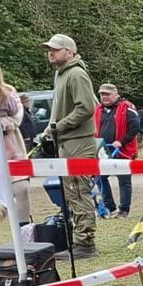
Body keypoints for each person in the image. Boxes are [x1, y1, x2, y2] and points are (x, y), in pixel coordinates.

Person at [36, 33, 99, 257]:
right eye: (49, 49)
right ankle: (79, 239)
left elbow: (86, 108)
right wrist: (51, 128)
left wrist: (58, 126)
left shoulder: (76, 74)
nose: (50, 53)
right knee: (72, 192)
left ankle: (85, 243)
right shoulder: (62, 74)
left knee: (78, 191)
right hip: (68, 141)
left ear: (70, 52)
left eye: (55, 49)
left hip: (78, 142)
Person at [0, 55, 32, 226]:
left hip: (11, 145)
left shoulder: (8, 94)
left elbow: (18, 116)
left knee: (21, 189)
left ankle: (24, 229)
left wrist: (3, 123)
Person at [94, 83, 141, 217]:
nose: (104, 97)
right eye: (102, 94)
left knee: (124, 180)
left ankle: (124, 210)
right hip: (103, 151)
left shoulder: (127, 107)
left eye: (107, 94)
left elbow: (135, 126)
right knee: (100, 178)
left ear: (115, 94)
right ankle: (109, 207)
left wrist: (121, 141)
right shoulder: (98, 109)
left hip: (122, 151)